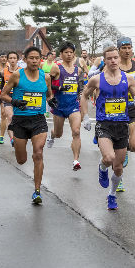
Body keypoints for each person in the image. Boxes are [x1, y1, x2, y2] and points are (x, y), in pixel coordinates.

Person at [82, 44, 135, 210]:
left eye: (115, 57)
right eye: (109, 58)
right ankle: (101, 167)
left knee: (119, 167)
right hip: (104, 124)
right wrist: (85, 117)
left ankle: (112, 195)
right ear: (104, 60)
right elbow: (84, 96)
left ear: (119, 58)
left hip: (122, 125)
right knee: (108, 158)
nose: (113, 60)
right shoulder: (97, 79)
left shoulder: (127, 78)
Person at [0, 46, 55, 204]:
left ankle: (37, 191)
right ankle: (14, 139)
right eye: (31, 58)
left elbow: (48, 94)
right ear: (24, 59)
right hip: (20, 121)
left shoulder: (45, 77)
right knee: (21, 160)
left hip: (38, 120)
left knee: (38, 153)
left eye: (37, 58)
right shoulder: (17, 75)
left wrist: (52, 100)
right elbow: (3, 94)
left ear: (40, 60)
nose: (34, 61)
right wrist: (14, 101)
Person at [46, 41, 83, 171]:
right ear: (61, 54)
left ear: (74, 54)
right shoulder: (56, 68)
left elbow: (79, 87)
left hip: (73, 105)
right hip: (59, 106)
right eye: (66, 52)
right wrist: (59, 88)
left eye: (71, 52)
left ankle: (76, 160)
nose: (68, 55)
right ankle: (52, 135)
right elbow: (47, 84)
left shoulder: (78, 70)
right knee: (58, 133)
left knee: (76, 131)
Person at [117, 36, 135, 179]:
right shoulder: (113, 65)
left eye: (129, 48)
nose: (127, 51)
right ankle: (119, 178)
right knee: (118, 150)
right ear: (118, 50)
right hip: (117, 109)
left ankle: (126, 148)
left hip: (134, 108)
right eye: (124, 48)